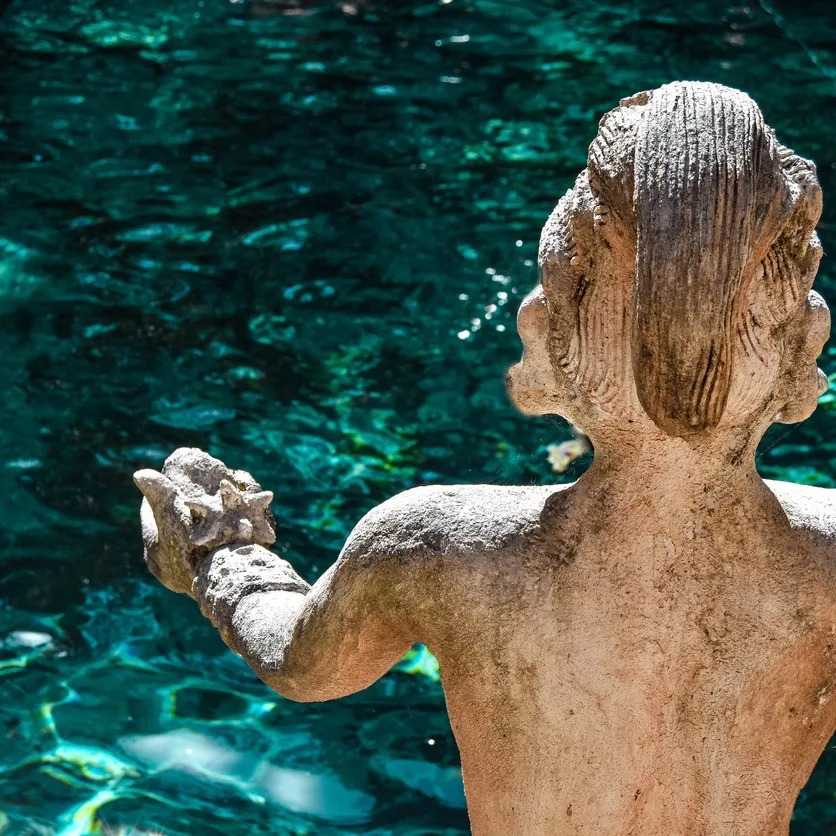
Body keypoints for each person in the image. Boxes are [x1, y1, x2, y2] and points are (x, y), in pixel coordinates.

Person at [135, 81, 836, 835]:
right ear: (805, 356)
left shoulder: (439, 546)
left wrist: (221, 557)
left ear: (542, 345)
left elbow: (301, 665)